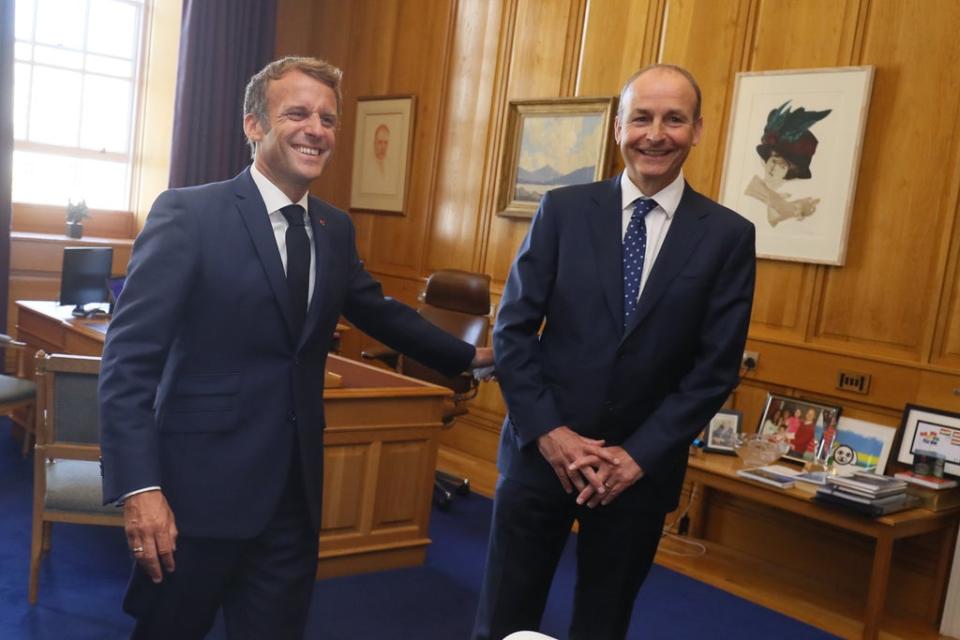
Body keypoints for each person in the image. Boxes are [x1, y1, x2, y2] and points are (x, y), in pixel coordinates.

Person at [98, 56, 492, 639]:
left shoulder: (334, 229)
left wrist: (471, 357)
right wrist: (140, 488)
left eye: (328, 119)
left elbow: (377, 311)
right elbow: (127, 365)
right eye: (298, 114)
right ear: (254, 125)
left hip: (293, 495)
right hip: (196, 496)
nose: (317, 129)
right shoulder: (189, 214)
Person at [473, 64, 755, 640]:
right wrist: (551, 434)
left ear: (697, 130)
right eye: (642, 118)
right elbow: (514, 330)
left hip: (639, 474)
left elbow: (714, 369)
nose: (656, 134)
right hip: (541, 458)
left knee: (604, 623)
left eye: (674, 119)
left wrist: (637, 455)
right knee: (504, 618)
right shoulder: (563, 211)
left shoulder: (728, 235)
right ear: (619, 128)